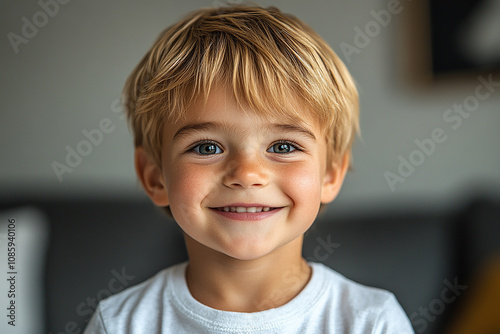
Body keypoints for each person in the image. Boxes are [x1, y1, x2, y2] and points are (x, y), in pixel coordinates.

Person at [84, 4, 414, 333]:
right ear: (155, 176)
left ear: (330, 174)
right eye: (207, 147)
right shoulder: (119, 324)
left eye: (283, 147)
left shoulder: (372, 321)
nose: (247, 173)